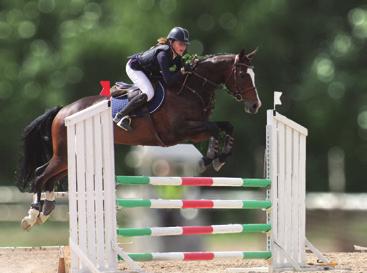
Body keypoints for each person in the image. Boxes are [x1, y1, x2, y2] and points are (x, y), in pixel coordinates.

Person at [113, 26, 193, 131]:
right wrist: (182, 71)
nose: (183, 47)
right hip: (134, 67)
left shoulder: (177, 56)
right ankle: (120, 115)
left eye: (185, 45)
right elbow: (170, 80)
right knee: (149, 93)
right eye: (180, 44)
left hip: (149, 71)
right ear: (171, 42)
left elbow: (176, 76)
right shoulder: (163, 54)